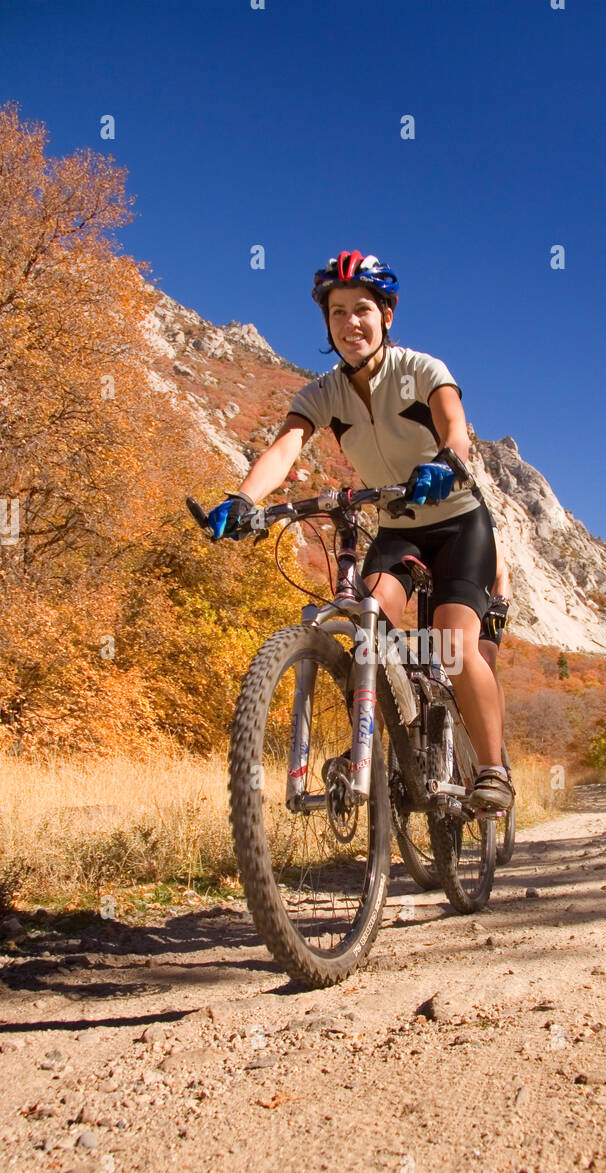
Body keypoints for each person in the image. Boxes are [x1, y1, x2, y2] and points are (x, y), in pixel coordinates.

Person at [206, 250, 513, 812]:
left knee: (453, 643)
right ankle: (380, 747)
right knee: (367, 621)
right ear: (326, 323)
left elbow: (455, 429)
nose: (350, 323)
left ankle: (492, 770)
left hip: (459, 522)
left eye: (362, 309)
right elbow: (285, 447)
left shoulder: (422, 370)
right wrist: (244, 498)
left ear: (386, 315)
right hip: (398, 527)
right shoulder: (322, 393)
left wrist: (446, 463)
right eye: (338, 312)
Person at [478, 521, 511, 737]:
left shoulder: (481, 514)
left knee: (487, 656)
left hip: (492, 599)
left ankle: (496, 740)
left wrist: (500, 604)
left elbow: (500, 568)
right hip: (453, 594)